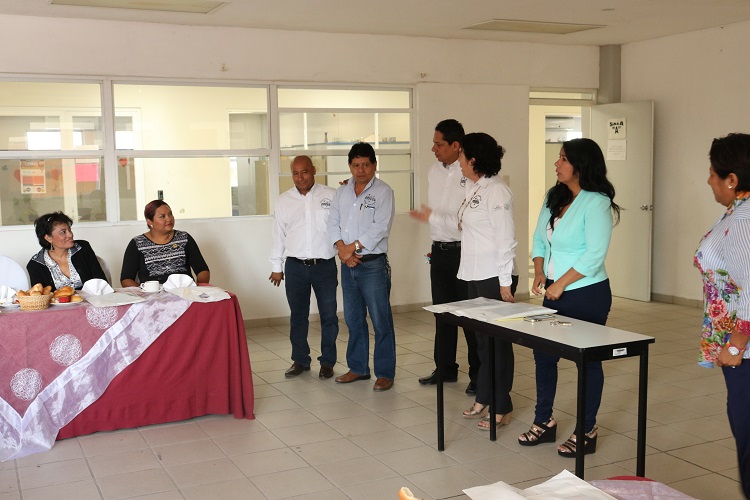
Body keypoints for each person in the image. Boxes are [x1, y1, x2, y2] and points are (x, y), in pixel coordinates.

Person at [519, 137, 620, 457]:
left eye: (563, 158)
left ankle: (587, 429)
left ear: (581, 165)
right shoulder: (555, 195)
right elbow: (539, 239)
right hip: (555, 290)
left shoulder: (597, 202)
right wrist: (539, 271)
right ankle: (543, 421)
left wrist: (560, 283)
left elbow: (594, 255)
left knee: (587, 362)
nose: (557, 163)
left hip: (587, 293)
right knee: (544, 355)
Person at [694, 132, 750, 497]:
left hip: (746, 351)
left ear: (731, 179)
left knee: (747, 432)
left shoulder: (744, 220)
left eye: (713, 173)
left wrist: (736, 343)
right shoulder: (738, 212)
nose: (708, 180)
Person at [455, 132, 518, 431]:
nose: (458, 161)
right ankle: (484, 396)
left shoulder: (497, 191)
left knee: (497, 344)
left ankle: (502, 405)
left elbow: (505, 239)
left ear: (473, 159)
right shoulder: (473, 186)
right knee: (480, 342)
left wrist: (505, 282)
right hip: (473, 273)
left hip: (494, 276)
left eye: (461, 155)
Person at [411, 119, 479, 394]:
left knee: (470, 317)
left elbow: (466, 219)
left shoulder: (470, 172)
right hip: (439, 251)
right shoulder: (433, 171)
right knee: (443, 313)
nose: (433, 149)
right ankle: (445, 369)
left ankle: (478, 376)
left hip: (465, 251)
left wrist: (433, 217)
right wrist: (435, 224)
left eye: (438, 144)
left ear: (455, 145)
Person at [328, 142, 396, 391]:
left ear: (374, 165)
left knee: (380, 320)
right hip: (348, 265)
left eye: (365, 165)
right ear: (349, 166)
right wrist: (342, 250)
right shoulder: (342, 192)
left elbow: (380, 228)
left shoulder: (383, 192)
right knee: (353, 319)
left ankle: (385, 373)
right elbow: (332, 223)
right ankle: (358, 368)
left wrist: (351, 247)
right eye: (356, 165)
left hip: (372, 266)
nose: (360, 170)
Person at [269, 155, 339, 379]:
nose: (300, 178)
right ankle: (300, 360)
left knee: (329, 316)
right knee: (298, 316)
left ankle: (327, 362)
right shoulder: (284, 201)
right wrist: (276, 266)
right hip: (295, 267)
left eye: (304, 172)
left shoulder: (332, 195)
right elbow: (278, 235)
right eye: (295, 173)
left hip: (325, 266)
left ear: (314, 170)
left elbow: (342, 227)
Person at [120, 200, 210, 286]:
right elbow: (126, 279)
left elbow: (202, 270)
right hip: (153, 295)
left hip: (184, 292)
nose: (169, 219)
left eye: (170, 214)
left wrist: (198, 289)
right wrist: (143, 292)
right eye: (162, 216)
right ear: (149, 221)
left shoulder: (184, 238)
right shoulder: (137, 243)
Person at [27, 211, 106, 291]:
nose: (70, 235)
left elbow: (101, 282)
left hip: (92, 298)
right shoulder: (35, 265)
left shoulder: (83, 248)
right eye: (63, 232)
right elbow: (39, 296)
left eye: (69, 230)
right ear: (48, 238)